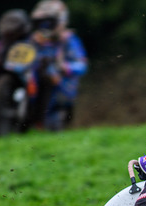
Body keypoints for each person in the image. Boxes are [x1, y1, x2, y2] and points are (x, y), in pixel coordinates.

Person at [29, 0, 87, 130]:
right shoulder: (32, 41)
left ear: (60, 21)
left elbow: (82, 65)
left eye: (48, 22)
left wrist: (64, 67)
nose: (44, 26)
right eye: (40, 22)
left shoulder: (68, 40)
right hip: (32, 82)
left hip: (60, 90)